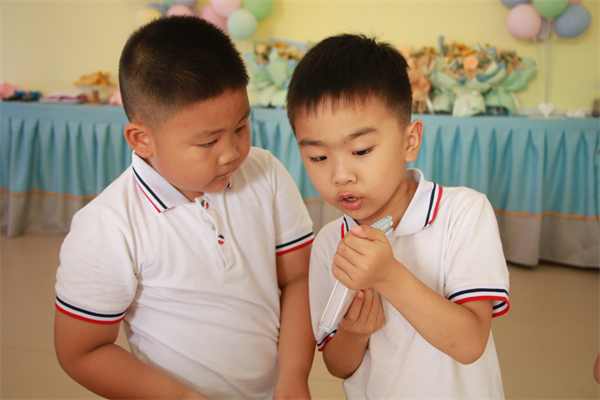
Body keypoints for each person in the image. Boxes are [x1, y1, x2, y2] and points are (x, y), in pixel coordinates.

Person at [54, 16, 315, 400]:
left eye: (241, 127)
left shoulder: (265, 172)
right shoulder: (108, 226)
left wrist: (292, 375)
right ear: (142, 139)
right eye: (208, 142)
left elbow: (298, 278)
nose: (231, 153)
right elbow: (81, 351)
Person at [286, 33, 510, 399]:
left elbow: (471, 343)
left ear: (410, 141)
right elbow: (337, 366)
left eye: (361, 150)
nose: (340, 175)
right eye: (318, 157)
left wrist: (388, 275)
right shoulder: (331, 243)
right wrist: (354, 332)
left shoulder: (463, 212)